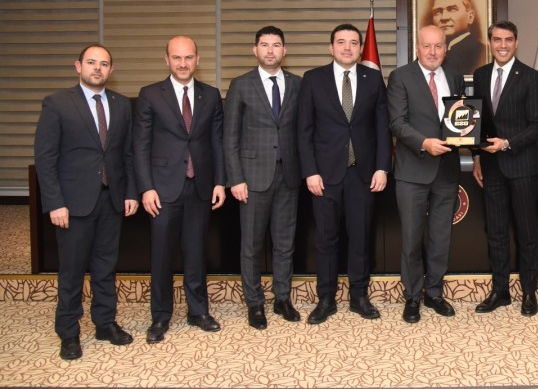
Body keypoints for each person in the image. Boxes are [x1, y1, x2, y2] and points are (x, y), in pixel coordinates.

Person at [34, 44, 139, 360]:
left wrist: (130, 192)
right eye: (91, 62)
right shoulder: (57, 103)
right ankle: (68, 332)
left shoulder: (122, 105)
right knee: (72, 271)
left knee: (106, 267)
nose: (97, 68)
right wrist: (54, 202)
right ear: (78, 66)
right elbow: (45, 158)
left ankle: (105, 323)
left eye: (104, 64)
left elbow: (128, 154)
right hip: (73, 204)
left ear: (111, 70)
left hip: (111, 199)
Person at [133, 36, 226, 343]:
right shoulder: (150, 95)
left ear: (197, 59)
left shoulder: (210, 95)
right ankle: (160, 316)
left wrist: (219, 181)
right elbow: (140, 145)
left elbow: (217, 141)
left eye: (188, 57)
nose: (183, 63)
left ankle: (198, 311)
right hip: (162, 189)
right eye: (177, 57)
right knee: (162, 255)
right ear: (167, 60)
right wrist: (146, 188)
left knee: (196, 252)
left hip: (200, 186)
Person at [299, 23, 392, 324]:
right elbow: (304, 130)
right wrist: (310, 171)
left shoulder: (373, 78)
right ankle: (326, 299)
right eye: (341, 42)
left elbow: (382, 127)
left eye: (353, 42)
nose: (347, 47)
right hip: (324, 176)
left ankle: (359, 296)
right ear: (331, 47)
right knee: (326, 239)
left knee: (360, 237)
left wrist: (382, 167)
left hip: (362, 174)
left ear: (360, 48)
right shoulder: (313, 79)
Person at [224, 26, 303, 330]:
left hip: (289, 175)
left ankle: (282, 298)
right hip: (252, 178)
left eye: (276, 45)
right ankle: (254, 303)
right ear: (255, 50)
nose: (271, 51)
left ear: (285, 51)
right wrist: (235, 178)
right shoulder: (241, 85)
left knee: (285, 243)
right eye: (265, 45)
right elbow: (230, 136)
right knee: (252, 245)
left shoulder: (297, 84)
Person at [387, 25, 465, 323]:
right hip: (412, 171)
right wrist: (424, 143)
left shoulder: (455, 77)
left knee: (440, 238)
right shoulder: (400, 77)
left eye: (438, 46)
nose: (433, 52)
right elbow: (397, 122)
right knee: (411, 238)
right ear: (417, 48)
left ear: (446, 48)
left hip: (446, 171)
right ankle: (412, 296)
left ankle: (434, 292)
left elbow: (460, 119)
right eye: (427, 46)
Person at [472, 20, 538, 316]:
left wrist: (506, 143)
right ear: (490, 42)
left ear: (516, 43)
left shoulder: (531, 76)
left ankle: (529, 292)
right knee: (496, 233)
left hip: (521, 166)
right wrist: (477, 157)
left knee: (526, 234)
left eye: (508, 40)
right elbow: (477, 122)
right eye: (497, 39)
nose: (502, 45)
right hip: (491, 169)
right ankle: (500, 291)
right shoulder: (480, 75)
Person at [429, 0, 486, 77]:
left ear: (470, 17)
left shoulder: (482, 52)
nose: (444, 17)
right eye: (438, 12)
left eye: (452, 9)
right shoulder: (429, 54)